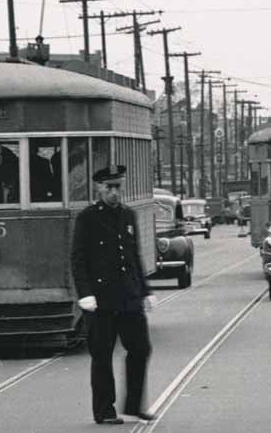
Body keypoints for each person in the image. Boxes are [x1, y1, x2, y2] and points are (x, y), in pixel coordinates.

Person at [71, 165, 155, 425]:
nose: (114, 192)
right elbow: (78, 259)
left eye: (118, 187)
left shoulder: (128, 215)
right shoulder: (88, 218)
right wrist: (85, 294)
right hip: (101, 300)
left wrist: (145, 291)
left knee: (141, 348)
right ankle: (105, 410)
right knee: (102, 355)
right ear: (99, 188)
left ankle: (133, 405)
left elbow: (133, 256)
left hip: (129, 297)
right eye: (109, 188)